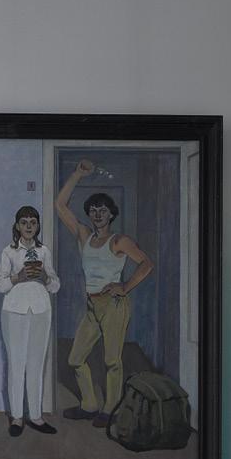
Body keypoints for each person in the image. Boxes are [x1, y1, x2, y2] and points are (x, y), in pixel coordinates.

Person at [54, 159, 154, 428]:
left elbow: (147, 263)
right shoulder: (84, 235)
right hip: (92, 306)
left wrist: (125, 286)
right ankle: (89, 405)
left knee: (112, 360)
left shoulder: (119, 241)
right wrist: (77, 174)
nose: (98, 214)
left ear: (111, 214)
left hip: (113, 305)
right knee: (75, 359)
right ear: (89, 214)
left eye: (103, 210)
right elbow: (60, 205)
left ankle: (111, 409)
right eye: (93, 210)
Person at [0, 206, 60, 437]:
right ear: (17, 226)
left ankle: (36, 416)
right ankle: (17, 417)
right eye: (24, 222)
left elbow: (55, 285)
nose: (29, 226)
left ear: (38, 225)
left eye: (33, 222)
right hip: (14, 311)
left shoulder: (44, 251)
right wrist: (18, 277)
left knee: (36, 364)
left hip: (41, 310)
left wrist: (45, 277)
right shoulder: (9, 252)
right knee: (16, 364)